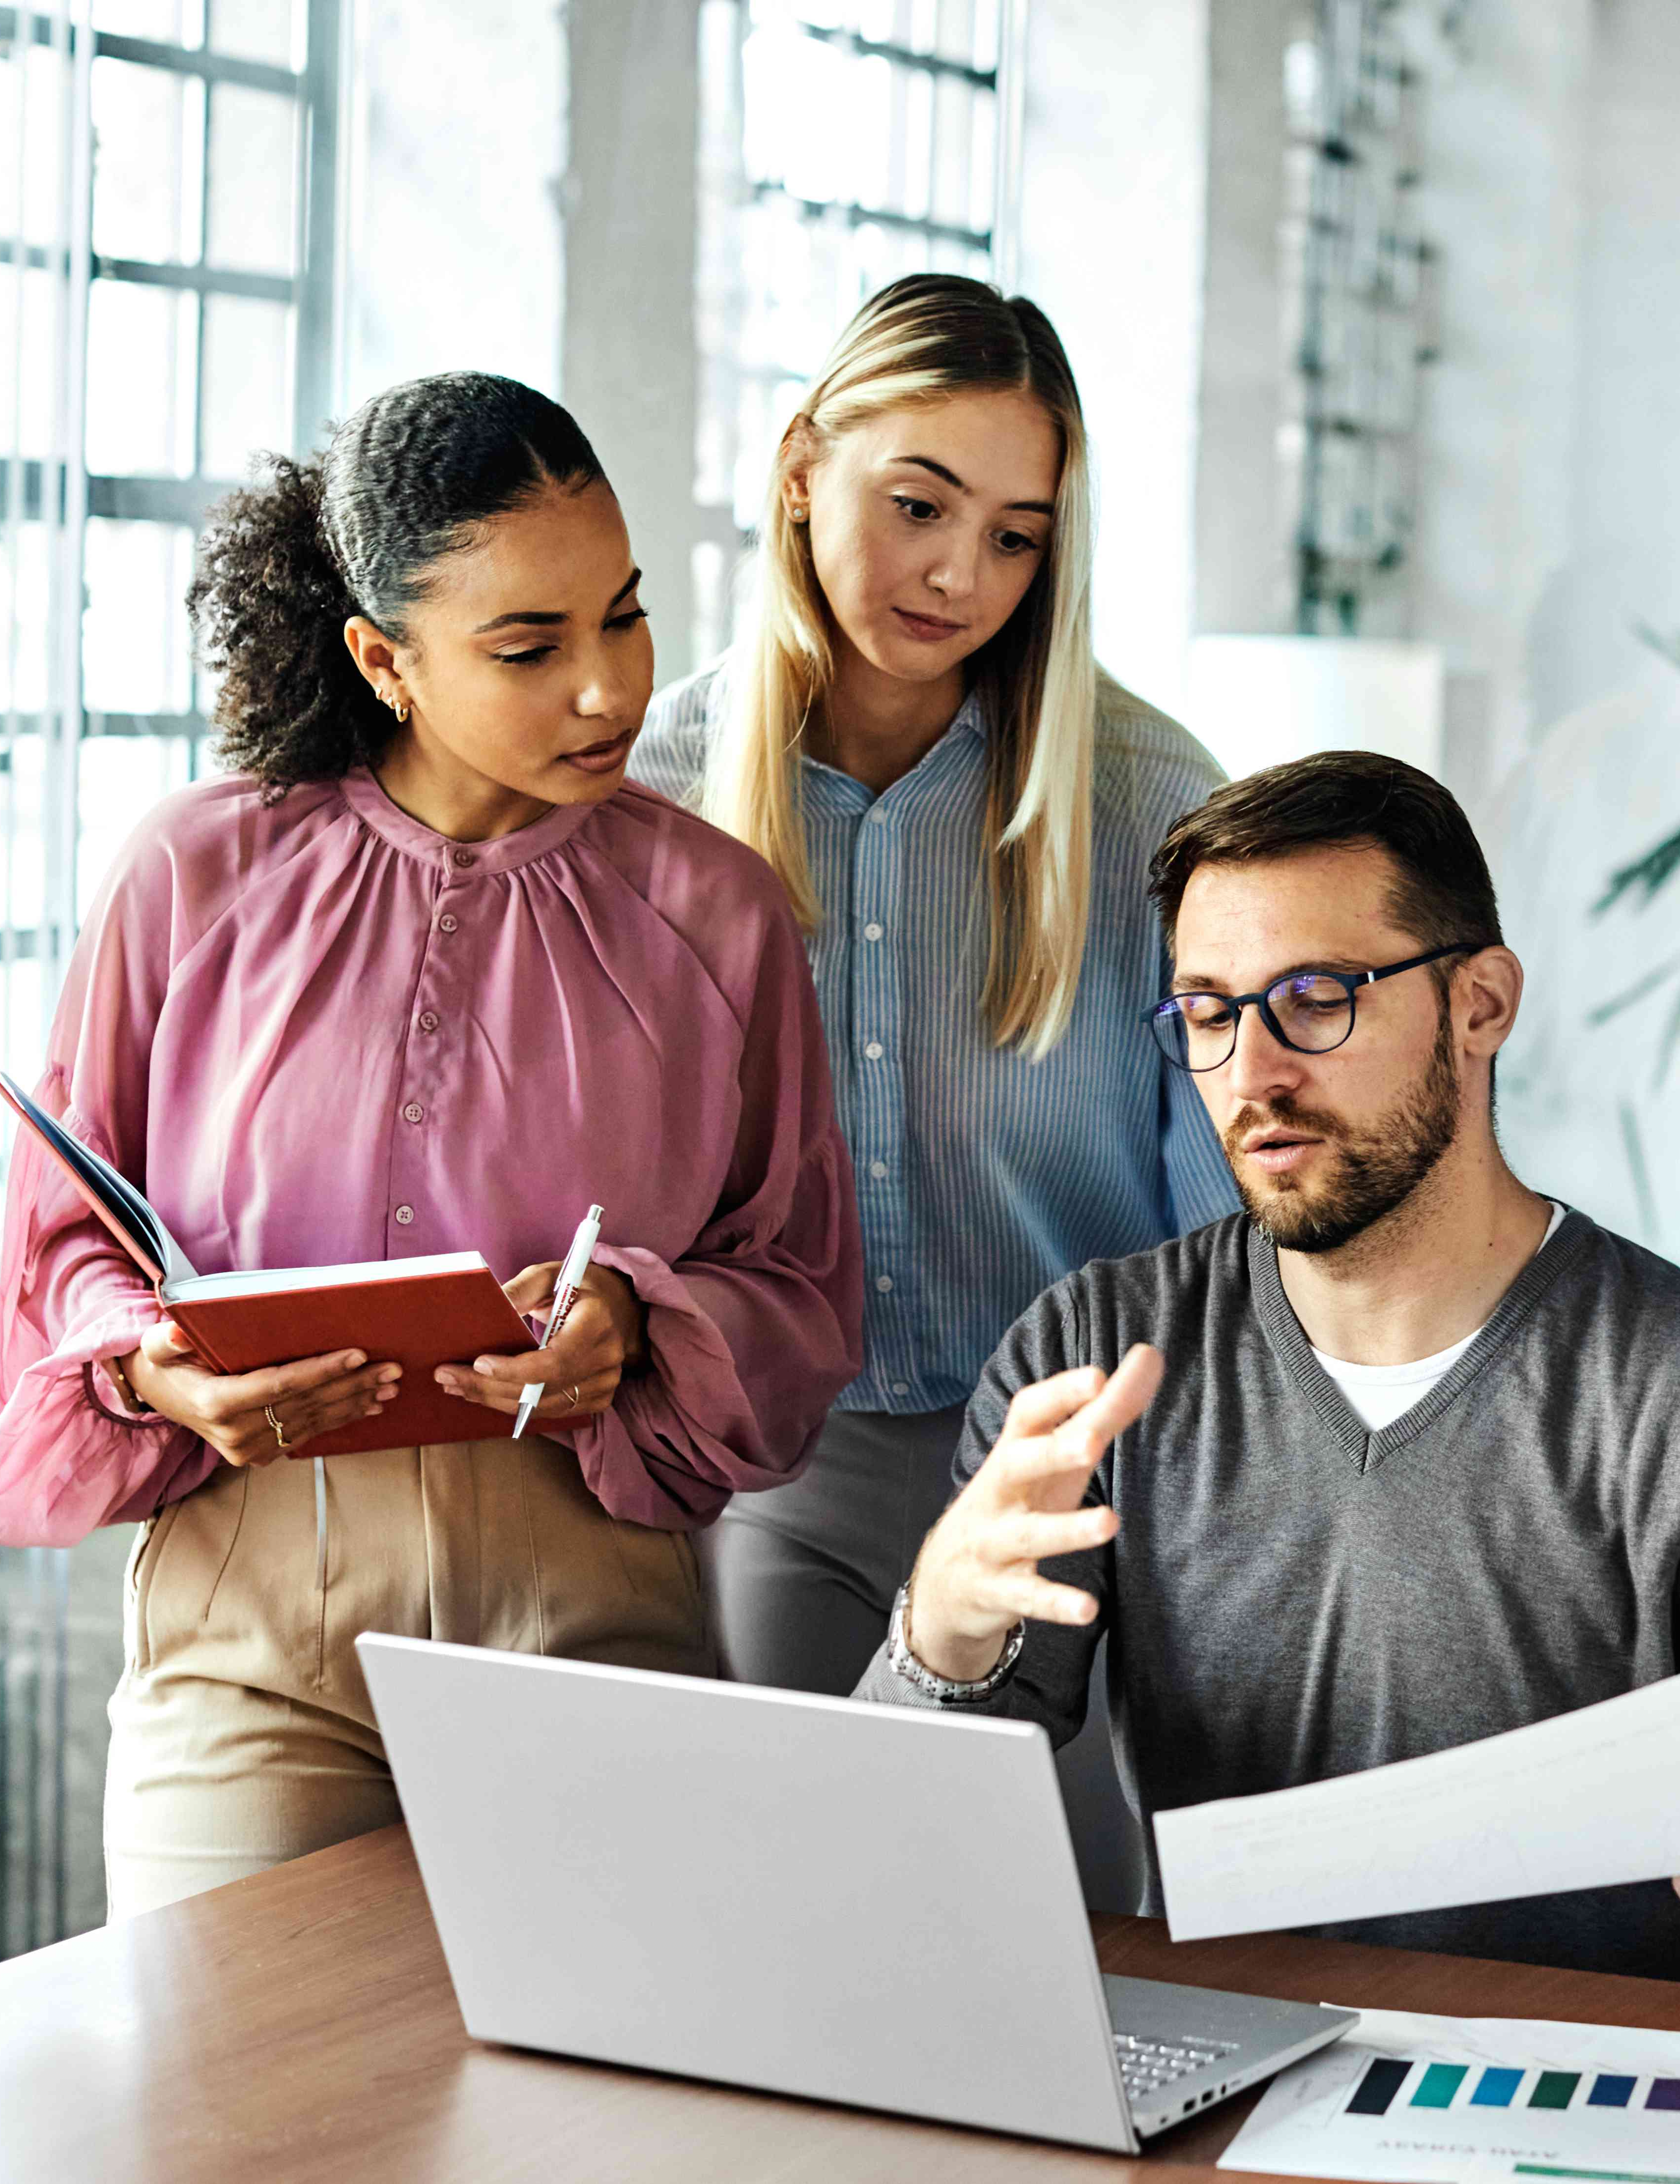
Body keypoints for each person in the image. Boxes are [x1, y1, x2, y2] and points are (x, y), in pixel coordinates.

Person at [854, 752, 1680, 2021]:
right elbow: (896, 1853)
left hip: (1595, 2109)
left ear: (1482, 1005)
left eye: (1314, 999)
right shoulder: (1094, 1357)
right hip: (1232, 2086)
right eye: (1206, 1012)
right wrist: (940, 1629)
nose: (1253, 1075)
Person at [0, 372, 864, 1917]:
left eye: (624, 618)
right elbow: (64, 1239)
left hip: (592, 1629)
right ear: (385, 658)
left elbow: (801, 1280)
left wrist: (638, 1317)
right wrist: (151, 1359)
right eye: (529, 647)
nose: (608, 690)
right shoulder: (192, 873)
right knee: (229, 2136)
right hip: (249, 1646)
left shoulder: (720, 913)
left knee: (572, 2150)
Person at [629, 276, 1230, 1893]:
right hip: (771, 1478)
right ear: (802, 467)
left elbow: (1229, 1229)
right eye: (918, 506)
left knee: (1076, 1968)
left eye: (1019, 535)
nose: (962, 575)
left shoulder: (1154, 803)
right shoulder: (646, 802)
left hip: (1073, 1492)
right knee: (804, 1945)